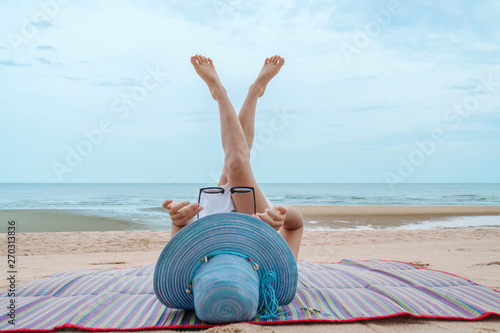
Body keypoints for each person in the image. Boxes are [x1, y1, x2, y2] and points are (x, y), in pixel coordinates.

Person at [163, 54, 304, 260]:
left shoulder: (187, 284)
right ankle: (242, 92)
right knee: (237, 163)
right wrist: (281, 214)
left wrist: (178, 224)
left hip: (215, 229)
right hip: (256, 229)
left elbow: (175, 264)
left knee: (234, 164)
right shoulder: (273, 279)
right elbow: (296, 224)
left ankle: (228, 92)